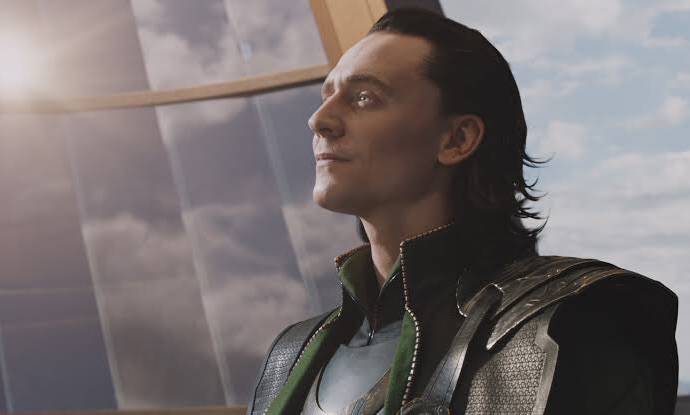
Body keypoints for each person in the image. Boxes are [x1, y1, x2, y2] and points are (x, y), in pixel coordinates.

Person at [246, 7, 678, 415]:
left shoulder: (574, 320)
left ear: (457, 140)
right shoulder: (289, 356)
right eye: (327, 95)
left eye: (363, 98)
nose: (319, 120)